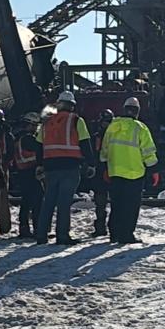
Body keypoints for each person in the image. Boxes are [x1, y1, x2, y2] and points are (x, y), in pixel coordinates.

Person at [35, 91, 95, 246]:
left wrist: (40, 164)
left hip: (50, 167)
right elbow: (85, 143)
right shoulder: (76, 120)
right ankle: (62, 236)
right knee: (64, 202)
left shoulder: (47, 122)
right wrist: (91, 163)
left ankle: (41, 235)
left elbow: (38, 145)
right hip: (70, 166)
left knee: (48, 201)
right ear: (72, 105)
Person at [100, 97, 158, 245]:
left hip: (115, 173)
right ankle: (126, 235)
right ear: (137, 112)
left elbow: (104, 151)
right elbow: (148, 152)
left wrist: (105, 168)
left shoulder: (112, 126)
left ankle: (114, 234)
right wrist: (154, 170)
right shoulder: (140, 128)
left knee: (116, 204)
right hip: (134, 174)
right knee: (131, 207)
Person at [11, 112, 43, 238]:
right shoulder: (28, 139)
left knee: (26, 201)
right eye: (35, 125)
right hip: (30, 172)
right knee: (37, 201)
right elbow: (40, 148)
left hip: (23, 173)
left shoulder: (19, 137)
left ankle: (24, 228)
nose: (36, 128)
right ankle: (37, 228)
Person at [85, 109, 115, 238]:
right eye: (105, 122)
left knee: (114, 201)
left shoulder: (115, 137)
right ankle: (101, 227)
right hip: (100, 171)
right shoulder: (96, 136)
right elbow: (92, 153)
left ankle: (112, 227)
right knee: (100, 201)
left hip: (112, 170)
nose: (106, 125)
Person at [0, 108, 14, 236]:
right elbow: (10, 150)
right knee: (2, 197)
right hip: (1, 167)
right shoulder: (7, 132)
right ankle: (4, 226)